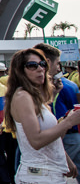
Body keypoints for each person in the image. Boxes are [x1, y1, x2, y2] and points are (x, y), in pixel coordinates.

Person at [5, 47, 80, 183]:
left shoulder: (35, 98)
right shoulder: (23, 96)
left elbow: (52, 138)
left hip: (48, 173)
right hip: (38, 175)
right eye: (32, 66)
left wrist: (65, 159)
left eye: (43, 64)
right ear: (20, 71)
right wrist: (68, 122)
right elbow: (36, 141)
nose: (40, 69)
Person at [34, 42, 80, 183]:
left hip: (65, 137)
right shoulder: (27, 94)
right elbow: (38, 138)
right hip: (62, 138)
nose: (59, 67)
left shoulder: (59, 87)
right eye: (58, 63)